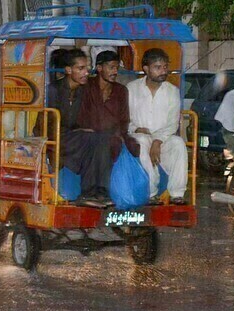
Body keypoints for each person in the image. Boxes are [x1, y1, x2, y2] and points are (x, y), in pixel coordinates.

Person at [47, 49, 113, 206]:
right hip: (55, 137)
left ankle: (102, 191)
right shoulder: (54, 90)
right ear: (68, 70)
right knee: (91, 139)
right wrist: (80, 130)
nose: (86, 72)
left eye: (87, 68)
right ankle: (88, 192)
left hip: (78, 137)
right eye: (81, 68)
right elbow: (49, 124)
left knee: (103, 138)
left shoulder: (86, 90)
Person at [128, 48, 188, 205]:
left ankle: (177, 193)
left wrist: (157, 140)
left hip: (163, 139)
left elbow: (172, 123)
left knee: (178, 143)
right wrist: (134, 128)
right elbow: (124, 118)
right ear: (146, 69)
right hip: (139, 136)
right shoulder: (131, 89)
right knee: (141, 140)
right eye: (158, 67)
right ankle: (151, 193)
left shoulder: (172, 91)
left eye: (165, 67)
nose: (163, 71)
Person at [77, 50, 139, 160]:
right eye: (111, 67)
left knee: (134, 145)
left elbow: (124, 119)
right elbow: (80, 115)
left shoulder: (121, 90)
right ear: (99, 68)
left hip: (113, 137)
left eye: (116, 68)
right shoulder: (85, 87)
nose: (115, 71)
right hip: (90, 136)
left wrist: (118, 134)